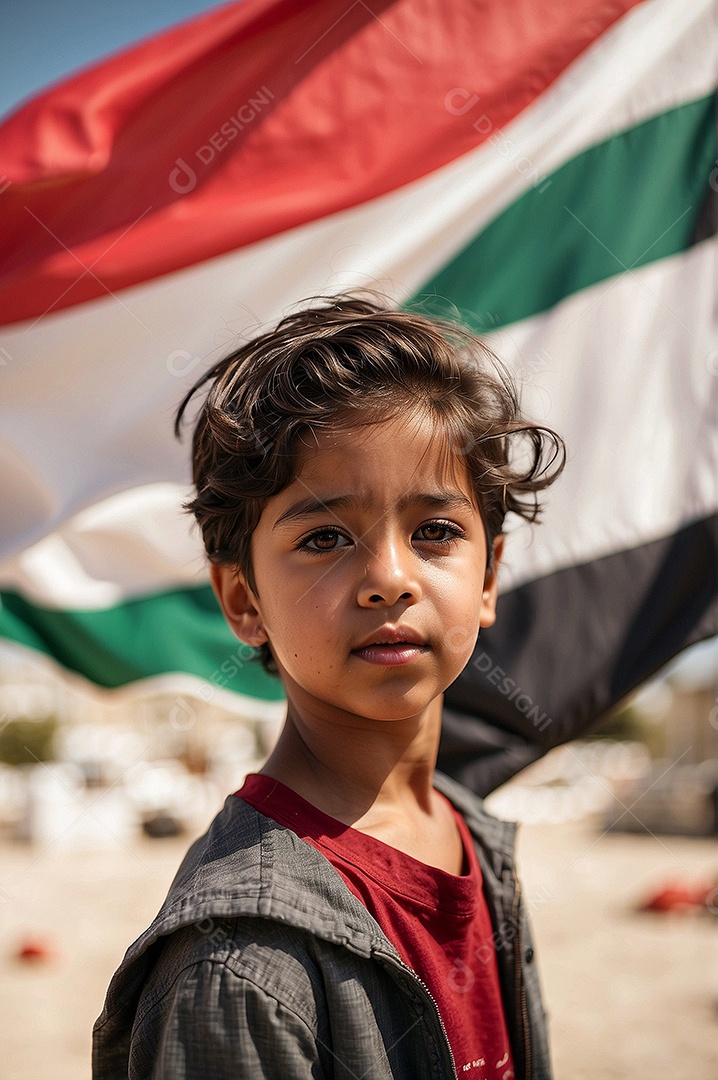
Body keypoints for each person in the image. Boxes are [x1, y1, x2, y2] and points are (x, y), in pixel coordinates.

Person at [93, 295, 565, 1079]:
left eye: (435, 531)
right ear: (244, 601)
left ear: (489, 577)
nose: (388, 578)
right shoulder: (241, 970)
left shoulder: (476, 844)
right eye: (323, 538)